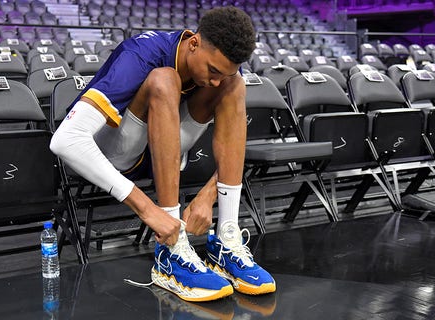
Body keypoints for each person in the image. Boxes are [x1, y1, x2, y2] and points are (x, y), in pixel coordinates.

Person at [50, 6, 275, 302]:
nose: (216, 79)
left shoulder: (225, 69)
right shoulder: (140, 53)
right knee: (164, 78)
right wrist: (148, 209)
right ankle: (171, 251)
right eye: (213, 71)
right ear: (193, 43)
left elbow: (233, 140)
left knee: (235, 85)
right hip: (116, 156)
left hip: (168, 152)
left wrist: (208, 198)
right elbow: (65, 141)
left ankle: (226, 240)